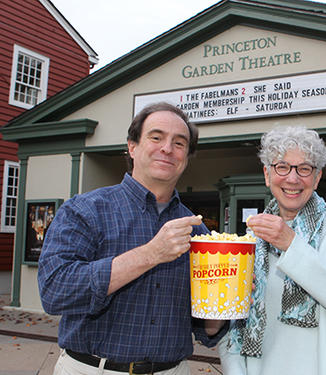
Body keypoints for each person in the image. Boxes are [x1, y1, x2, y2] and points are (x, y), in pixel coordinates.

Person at [38, 102, 227, 375]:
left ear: (186, 157)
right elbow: (55, 291)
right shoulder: (85, 210)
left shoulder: (198, 232)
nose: (167, 148)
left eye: (179, 143)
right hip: (93, 369)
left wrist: (227, 298)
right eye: (156, 137)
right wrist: (151, 254)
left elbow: (206, 329)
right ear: (132, 147)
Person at [218, 126, 326, 375]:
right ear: (267, 175)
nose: (292, 178)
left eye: (304, 169)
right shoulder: (251, 238)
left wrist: (291, 244)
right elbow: (234, 324)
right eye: (282, 167)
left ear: (317, 177)